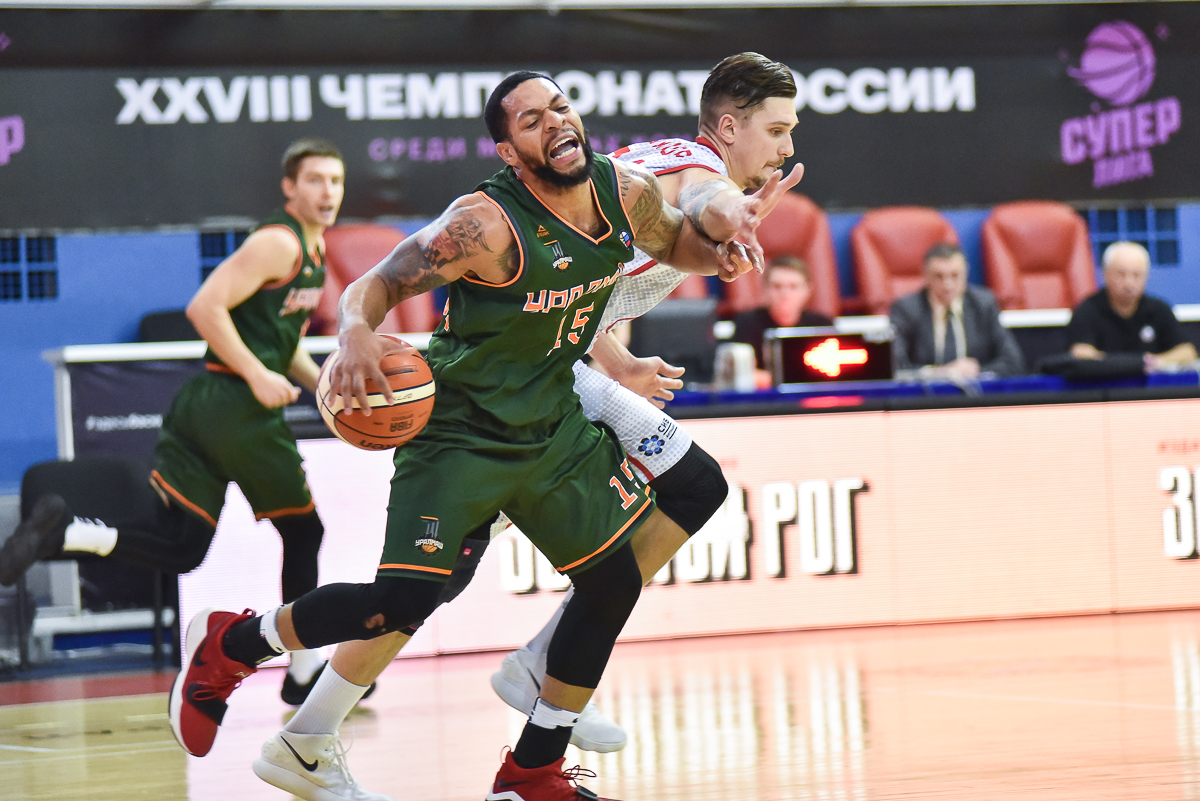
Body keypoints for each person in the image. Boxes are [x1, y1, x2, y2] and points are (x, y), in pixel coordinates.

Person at [169, 71, 795, 801]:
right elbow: (375, 283)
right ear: (508, 151)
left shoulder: (621, 192)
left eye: (560, 106)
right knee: (402, 600)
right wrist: (354, 331)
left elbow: (679, 239)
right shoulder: (483, 223)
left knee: (613, 577)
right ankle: (233, 644)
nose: (554, 122)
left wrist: (717, 250)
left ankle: (530, 770)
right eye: (531, 121)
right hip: (466, 428)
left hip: (551, 419)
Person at [0, 138, 348, 704]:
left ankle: (66, 533)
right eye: (315, 180)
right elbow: (203, 308)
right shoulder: (278, 242)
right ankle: (304, 670)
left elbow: (280, 342)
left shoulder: (312, 248)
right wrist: (256, 375)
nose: (327, 191)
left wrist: (326, 388)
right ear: (289, 187)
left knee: (184, 546)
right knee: (305, 531)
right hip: (235, 408)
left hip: (205, 410)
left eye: (335, 180)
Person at [890, 242, 1025, 380]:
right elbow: (895, 365)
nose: (947, 285)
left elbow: (1013, 362)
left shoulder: (983, 305)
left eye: (955, 275)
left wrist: (977, 370)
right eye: (939, 276)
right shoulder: (906, 309)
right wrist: (939, 373)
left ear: (966, 273)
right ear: (925, 276)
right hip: (925, 392)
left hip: (976, 391)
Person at [1067, 240, 1197, 370]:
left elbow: (1187, 352)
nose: (1129, 283)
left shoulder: (1159, 309)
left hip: (1150, 381)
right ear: (1105, 274)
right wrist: (1123, 365)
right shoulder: (1087, 310)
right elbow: (1081, 352)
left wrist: (1157, 362)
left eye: (1137, 275)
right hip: (1105, 380)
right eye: (1121, 274)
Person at [731, 254, 834, 373]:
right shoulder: (747, 324)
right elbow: (741, 373)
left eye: (793, 287)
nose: (785, 294)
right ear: (765, 289)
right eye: (777, 286)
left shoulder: (822, 327)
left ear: (807, 290)